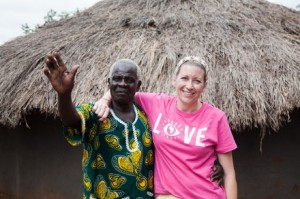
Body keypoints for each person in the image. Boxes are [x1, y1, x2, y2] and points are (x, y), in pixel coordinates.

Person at [94, 56, 238, 199]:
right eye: (184, 78)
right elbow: (125, 89)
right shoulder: (156, 104)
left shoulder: (216, 117)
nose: (189, 86)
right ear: (174, 80)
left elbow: (229, 173)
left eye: (197, 81)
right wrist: (105, 99)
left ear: (204, 86)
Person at [44, 52, 154, 199]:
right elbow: (73, 121)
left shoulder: (146, 116)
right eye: (117, 78)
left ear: (138, 85)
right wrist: (64, 95)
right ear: (109, 83)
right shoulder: (96, 113)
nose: (122, 83)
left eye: (129, 80)